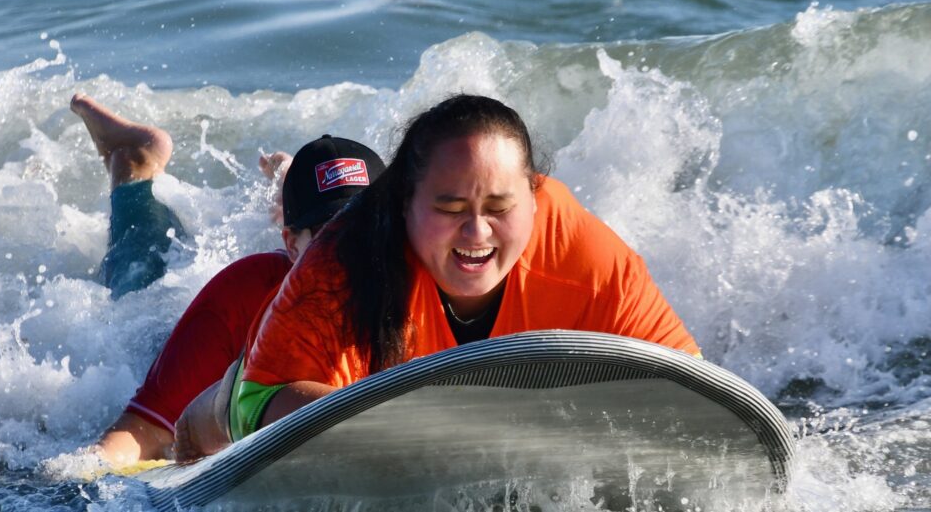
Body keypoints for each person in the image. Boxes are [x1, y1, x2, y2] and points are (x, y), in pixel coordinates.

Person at [174, 94, 702, 461]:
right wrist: (423, 440)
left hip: (439, 406)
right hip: (262, 395)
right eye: (450, 207)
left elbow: (692, 387)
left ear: (533, 199)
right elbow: (260, 400)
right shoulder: (343, 260)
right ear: (404, 204)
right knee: (201, 422)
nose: (476, 231)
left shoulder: (584, 254)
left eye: (500, 206)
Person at [69, 94, 386, 466]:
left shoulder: (416, 273)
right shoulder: (243, 297)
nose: (353, 255)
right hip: (183, 353)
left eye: (368, 229)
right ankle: (133, 162)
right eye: (329, 237)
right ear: (293, 246)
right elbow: (146, 433)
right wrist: (77, 477)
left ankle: (289, 182)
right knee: (139, 270)